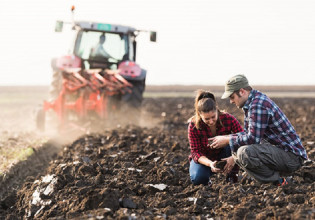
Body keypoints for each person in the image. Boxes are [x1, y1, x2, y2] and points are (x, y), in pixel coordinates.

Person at [210, 74, 308, 185]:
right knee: (239, 150)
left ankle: (279, 181)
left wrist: (227, 140)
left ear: (242, 92)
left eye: (232, 97)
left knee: (243, 153)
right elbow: (248, 134)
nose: (231, 101)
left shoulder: (258, 105)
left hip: (292, 157)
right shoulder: (252, 102)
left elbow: (252, 139)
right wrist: (231, 149)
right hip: (282, 152)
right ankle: (277, 178)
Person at [188, 90, 244, 185]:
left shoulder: (228, 119)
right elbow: (195, 152)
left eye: (213, 117)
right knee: (197, 178)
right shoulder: (193, 126)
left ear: (217, 110)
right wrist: (210, 164)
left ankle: (232, 176)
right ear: (200, 115)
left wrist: (234, 157)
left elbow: (243, 137)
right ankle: (207, 180)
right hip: (205, 158)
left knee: (233, 142)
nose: (211, 121)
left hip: (225, 154)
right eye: (207, 119)